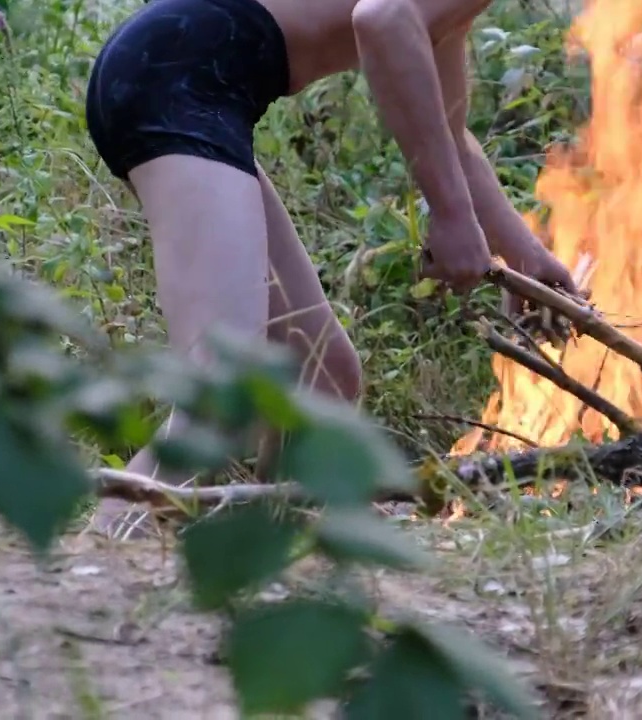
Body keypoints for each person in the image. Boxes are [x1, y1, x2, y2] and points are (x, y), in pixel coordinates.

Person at [82, 0, 580, 538]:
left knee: (322, 378)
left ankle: (274, 556)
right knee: (222, 390)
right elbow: (382, 18)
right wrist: (451, 215)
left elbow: (450, 131)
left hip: (191, 79)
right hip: (177, 76)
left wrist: (525, 255)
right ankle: (93, 570)